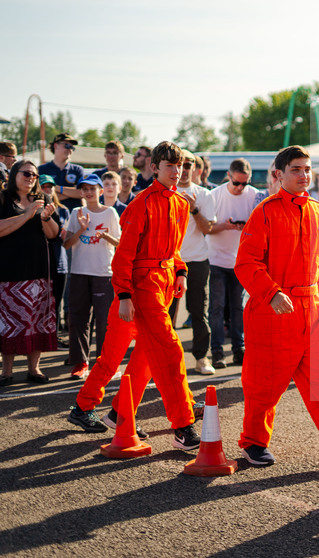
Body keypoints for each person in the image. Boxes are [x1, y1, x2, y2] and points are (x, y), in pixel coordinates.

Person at [234, 145, 319, 467]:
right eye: (296, 169)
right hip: (275, 310)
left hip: (315, 310)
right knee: (265, 383)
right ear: (279, 174)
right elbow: (246, 263)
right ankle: (253, 442)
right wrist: (272, 293)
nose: (304, 175)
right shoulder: (265, 211)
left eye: (307, 169)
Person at [67, 141, 201, 450]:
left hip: (163, 284)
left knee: (140, 357)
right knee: (167, 351)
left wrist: (181, 272)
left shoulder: (181, 204)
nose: (176, 172)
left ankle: (105, 410)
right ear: (154, 168)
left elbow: (175, 250)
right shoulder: (141, 204)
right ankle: (183, 425)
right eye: (170, 166)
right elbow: (123, 256)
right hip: (139, 288)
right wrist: (125, 294)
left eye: (179, 166)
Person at [0, 160, 60, 386]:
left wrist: (45, 218)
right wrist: (26, 215)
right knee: (10, 323)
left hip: (38, 272)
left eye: (34, 175)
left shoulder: (42, 200)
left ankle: (34, 369)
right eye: (26, 173)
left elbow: (54, 234)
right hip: (9, 272)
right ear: (14, 174)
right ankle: (6, 372)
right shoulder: (3, 199)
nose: (31, 178)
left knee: (37, 321)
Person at [62, 174, 120, 380]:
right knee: (78, 320)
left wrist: (104, 236)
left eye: (92, 188)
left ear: (100, 191)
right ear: (80, 192)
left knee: (105, 321)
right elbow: (66, 244)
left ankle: (104, 363)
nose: (88, 192)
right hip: (79, 272)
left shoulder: (110, 212)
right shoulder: (76, 212)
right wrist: (82, 229)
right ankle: (80, 363)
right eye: (84, 189)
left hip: (103, 273)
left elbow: (120, 244)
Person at [207, 158, 258, 368]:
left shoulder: (254, 195)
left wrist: (245, 227)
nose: (240, 188)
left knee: (238, 308)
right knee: (217, 307)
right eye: (236, 183)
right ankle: (217, 352)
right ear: (229, 175)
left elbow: (259, 226)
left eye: (244, 184)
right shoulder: (215, 195)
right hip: (216, 258)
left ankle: (239, 350)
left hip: (241, 261)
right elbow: (206, 227)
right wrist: (225, 226)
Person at [170, 150, 217, 375]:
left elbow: (208, 229)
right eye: (182, 164)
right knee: (166, 314)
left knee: (199, 312)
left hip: (197, 260)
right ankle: (165, 361)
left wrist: (194, 210)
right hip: (169, 262)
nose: (185, 169)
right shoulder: (167, 192)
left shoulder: (204, 195)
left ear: (196, 169)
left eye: (189, 165)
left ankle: (201, 358)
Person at [38, 175, 70, 340]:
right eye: (44, 186)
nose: (47, 189)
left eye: (50, 186)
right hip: (39, 261)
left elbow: (64, 236)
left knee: (56, 303)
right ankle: (39, 338)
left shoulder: (63, 209)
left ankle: (53, 337)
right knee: (39, 303)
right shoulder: (32, 208)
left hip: (59, 261)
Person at [38, 133, 86, 211]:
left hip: (74, 216)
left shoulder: (77, 170)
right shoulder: (42, 170)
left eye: (72, 147)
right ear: (56, 146)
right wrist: (71, 193)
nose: (69, 149)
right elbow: (40, 194)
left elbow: (82, 193)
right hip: (50, 215)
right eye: (66, 145)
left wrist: (57, 188)